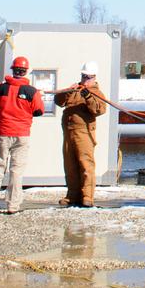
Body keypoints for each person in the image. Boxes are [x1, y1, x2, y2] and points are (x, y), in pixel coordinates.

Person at [0, 55, 44, 214]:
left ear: (13, 70)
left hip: (2, 133)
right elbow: (39, 111)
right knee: (16, 171)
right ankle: (12, 206)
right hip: (21, 134)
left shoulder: (1, 89)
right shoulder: (31, 91)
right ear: (25, 71)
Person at [54, 61, 108, 208]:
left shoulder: (97, 93)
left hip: (84, 132)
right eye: (83, 76)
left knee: (86, 165)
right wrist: (67, 91)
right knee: (70, 165)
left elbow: (99, 110)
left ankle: (87, 196)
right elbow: (58, 101)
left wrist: (88, 97)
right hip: (68, 131)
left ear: (94, 77)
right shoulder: (75, 89)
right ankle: (72, 195)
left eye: (88, 77)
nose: (85, 80)